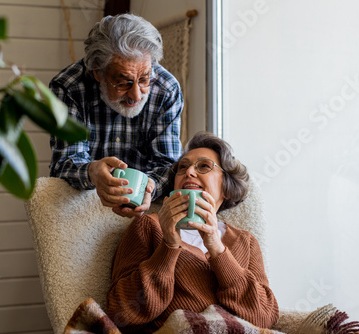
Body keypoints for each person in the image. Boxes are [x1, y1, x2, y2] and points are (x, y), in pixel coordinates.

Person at [106, 131, 279, 333]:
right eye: (183, 167)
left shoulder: (245, 241)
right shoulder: (148, 227)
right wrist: (169, 245)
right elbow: (120, 312)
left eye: (204, 166)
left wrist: (217, 248)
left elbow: (266, 315)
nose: (189, 172)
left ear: (227, 187)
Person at [49, 14, 183, 218]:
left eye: (145, 79)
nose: (136, 95)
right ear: (97, 72)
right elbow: (64, 162)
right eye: (123, 82)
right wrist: (92, 172)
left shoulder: (167, 89)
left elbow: (168, 164)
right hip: (82, 207)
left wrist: (150, 188)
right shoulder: (69, 88)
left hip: (147, 211)